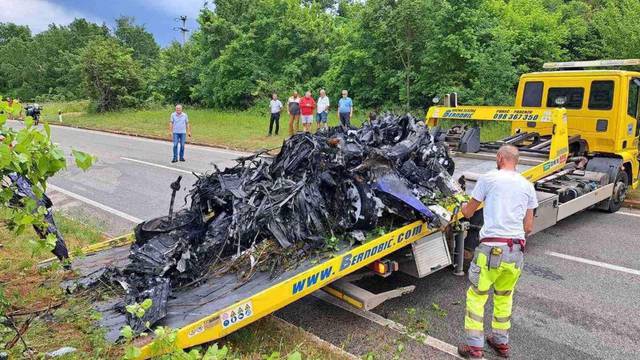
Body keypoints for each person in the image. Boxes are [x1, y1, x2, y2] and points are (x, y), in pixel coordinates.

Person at [457, 145, 538, 359]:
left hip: (490, 249)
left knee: (477, 296)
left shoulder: (489, 178)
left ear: (500, 157)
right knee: (504, 296)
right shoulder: (527, 185)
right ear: (516, 161)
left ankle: (474, 347)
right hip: (515, 251)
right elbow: (528, 227)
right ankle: (501, 342)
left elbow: (468, 211)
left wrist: (461, 207)